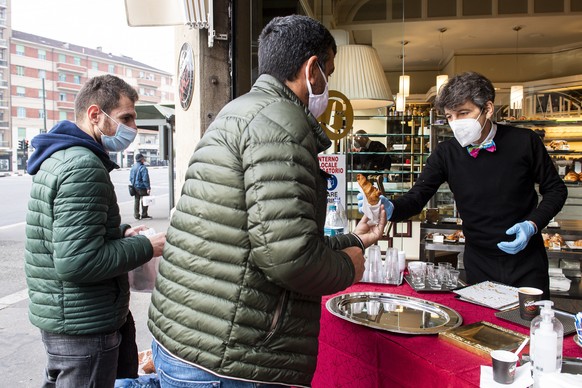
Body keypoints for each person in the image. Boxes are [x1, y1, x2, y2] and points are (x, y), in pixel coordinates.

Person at [148, 15, 386, 387]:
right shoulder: (281, 124)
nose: (328, 85)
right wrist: (348, 268)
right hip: (229, 358)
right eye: (330, 72)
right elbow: (287, 260)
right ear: (312, 69)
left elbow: (268, 234)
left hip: (188, 338)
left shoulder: (240, 110)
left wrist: (354, 241)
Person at [362, 71, 567, 298]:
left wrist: (532, 224)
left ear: (487, 109)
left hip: (527, 261)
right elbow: (417, 197)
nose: (455, 123)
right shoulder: (446, 153)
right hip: (478, 261)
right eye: (450, 117)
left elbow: (556, 189)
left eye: (463, 113)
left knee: (532, 326)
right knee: (485, 330)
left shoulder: (524, 141)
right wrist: (390, 208)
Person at [24, 74, 167, 388]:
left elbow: (67, 232)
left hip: (69, 320)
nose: (132, 126)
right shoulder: (82, 166)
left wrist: (120, 234)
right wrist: (148, 247)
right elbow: (78, 261)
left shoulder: (61, 157)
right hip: (83, 329)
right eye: (125, 117)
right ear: (94, 115)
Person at [130, 153, 152, 220]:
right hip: (142, 187)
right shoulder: (143, 168)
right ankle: (144, 214)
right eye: (143, 158)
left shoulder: (133, 167)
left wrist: (134, 184)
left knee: (137, 200)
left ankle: (136, 215)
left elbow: (130, 178)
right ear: (141, 159)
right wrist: (148, 188)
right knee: (145, 200)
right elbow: (145, 179)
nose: (144, 159)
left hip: (135, 187)